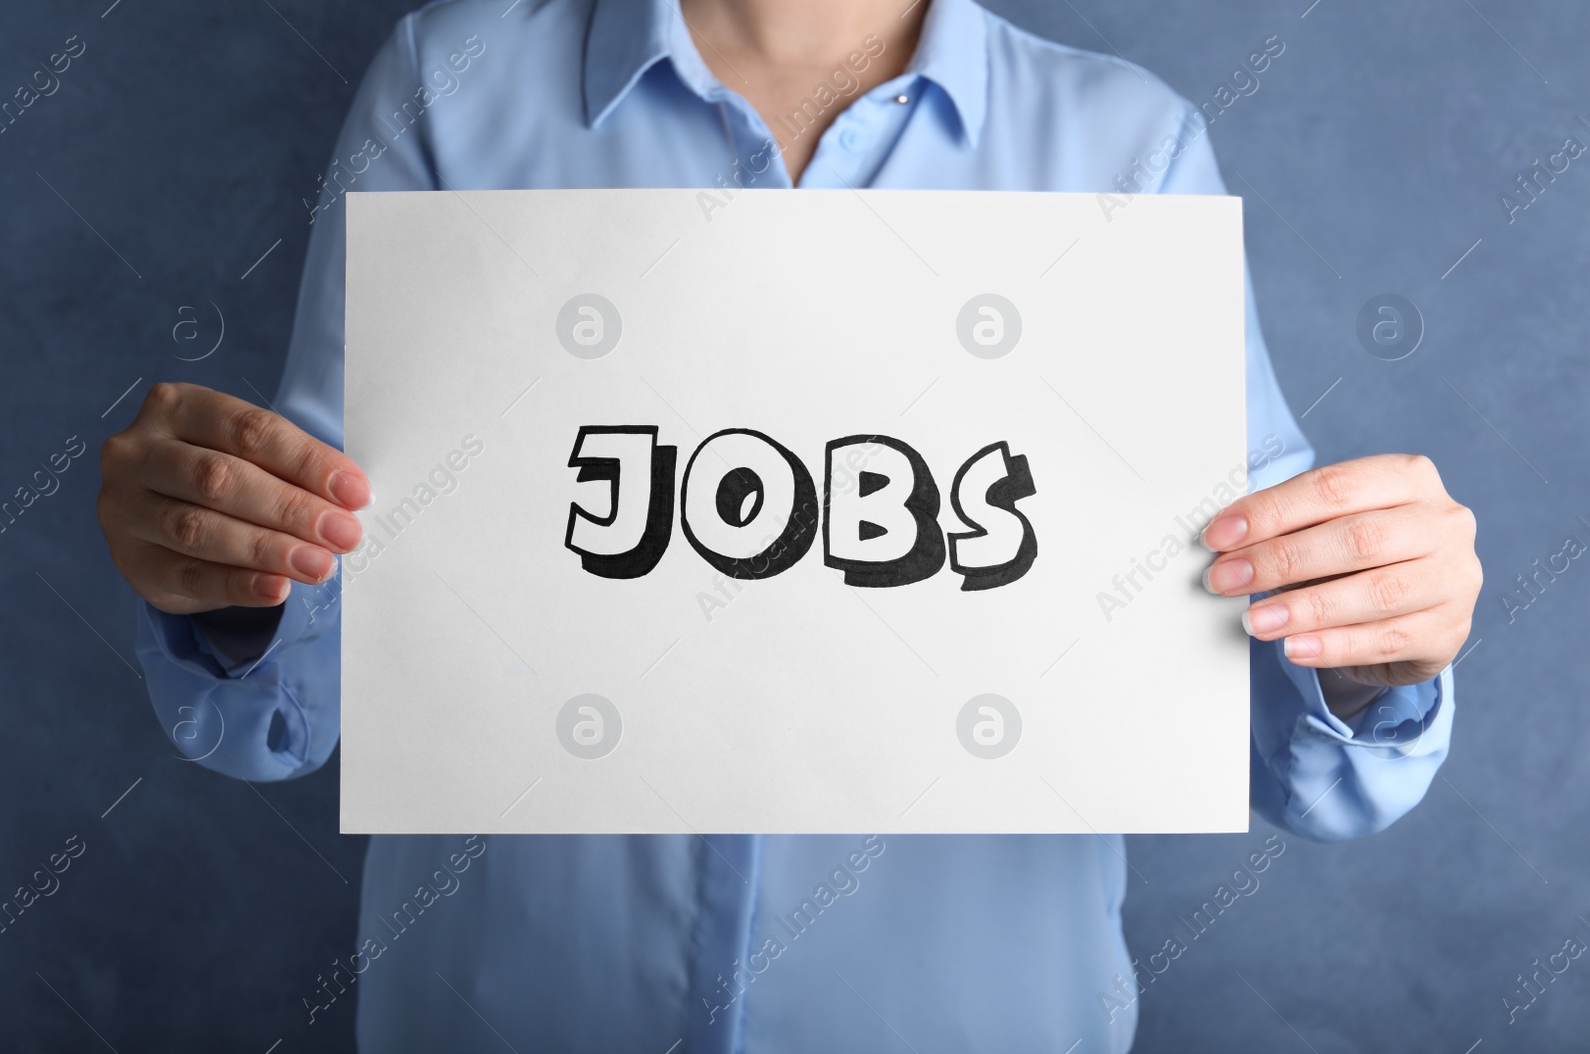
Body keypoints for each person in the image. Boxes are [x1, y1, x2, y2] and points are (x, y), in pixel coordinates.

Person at [95, 0, 1482, 1049]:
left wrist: (1372, 630)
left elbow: (1292, 740)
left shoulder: (1136, 151)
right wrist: (224, 574)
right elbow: (299, 694)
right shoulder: (449, 90)